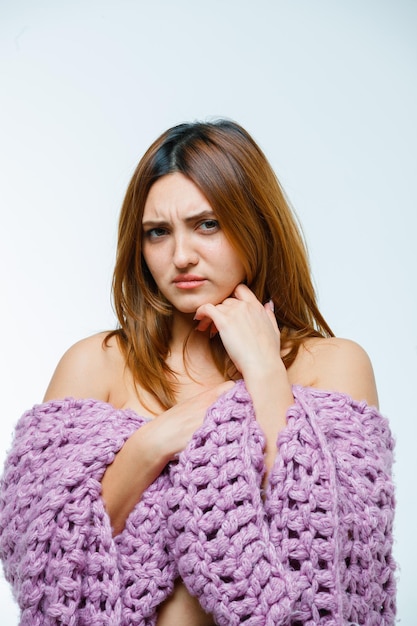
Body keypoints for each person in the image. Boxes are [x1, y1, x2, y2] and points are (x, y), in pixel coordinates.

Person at [0, 120, 396, 625]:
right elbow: (42, 555)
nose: (180, 256)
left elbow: (332, 546)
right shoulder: (96, 363)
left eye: (207, 224)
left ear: (255, 224)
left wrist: (263, 369)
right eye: (158, 233)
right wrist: (153, 442)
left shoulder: (334, 365)